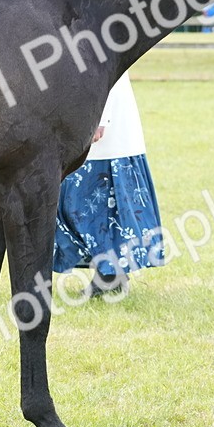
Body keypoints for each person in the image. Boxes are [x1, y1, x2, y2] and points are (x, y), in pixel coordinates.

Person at [52, 72, 163, 297]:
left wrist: (102, 117)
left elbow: (110, 68)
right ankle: (111, 271)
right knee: (76, 202)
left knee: (97, 202)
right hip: (80, 108)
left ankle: (111, 275)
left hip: (104, 120)